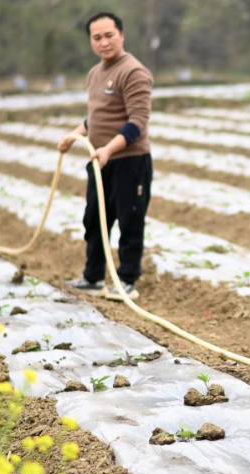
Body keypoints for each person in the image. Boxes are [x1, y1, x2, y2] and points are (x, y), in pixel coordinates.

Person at [58, 12, 153, 301]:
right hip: (100, 161)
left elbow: (138, 122)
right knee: (95, 219)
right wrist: (72, 136)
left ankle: (126, 280)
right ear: (91, 41)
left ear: (121, 35)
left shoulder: (134, 72)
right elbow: (96, 119)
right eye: (96, 37)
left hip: (129, 161)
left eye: (109, 35)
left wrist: (109, 149)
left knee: (129, 220)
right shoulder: (95, 73)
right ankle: (93, 275)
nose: (103, 42)